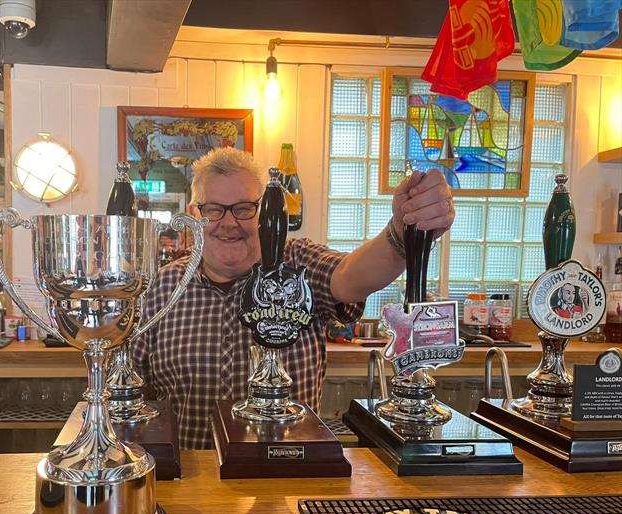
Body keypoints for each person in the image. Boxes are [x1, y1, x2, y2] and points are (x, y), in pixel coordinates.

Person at [132, 147, 454, 449]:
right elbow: (135, 388)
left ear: (267, 209)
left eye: (244, 208)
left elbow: (351, 277)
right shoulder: (163, 285)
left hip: (288, 478)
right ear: (194, 214)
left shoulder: (298, 264)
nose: (229, 223)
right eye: (214, 210)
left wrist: (401, 231)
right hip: (192, 483)